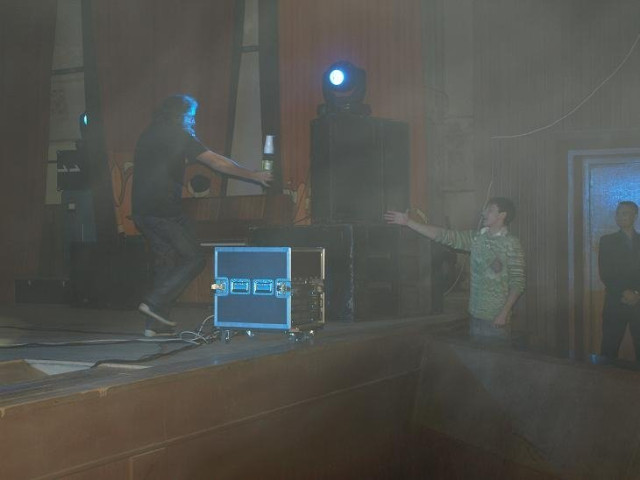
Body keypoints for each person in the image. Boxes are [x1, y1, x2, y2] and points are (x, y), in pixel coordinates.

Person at [131, 94, 272, 337]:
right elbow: (217, 163)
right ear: (178, 115)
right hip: (164, 210)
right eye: (190, 117)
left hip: (142, 211)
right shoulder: (178, 134)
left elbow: (184, 161)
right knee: (194, 258)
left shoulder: (149, 134)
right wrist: (254, 175)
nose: (193, 122)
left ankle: (155, 324)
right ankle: (154, 302)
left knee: (166, 261)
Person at [384, 197, 525, 342]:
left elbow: (518, 283)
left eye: (490, 210)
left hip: (496, 320)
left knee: (495, 356)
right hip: (475, 316)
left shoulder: (512, 244)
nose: (483, 213)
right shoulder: (476, 239)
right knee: (477, 355)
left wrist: (503, 313)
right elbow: (444, 235)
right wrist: (409, 222)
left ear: (502, 215)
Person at [598, 201, 640, 361]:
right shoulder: (607, 241)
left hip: (639, 303)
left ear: (635, 216)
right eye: (618, 213)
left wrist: (637, 294)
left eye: (625, 213)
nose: (620, 217)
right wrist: (624, 292)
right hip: (616, 302)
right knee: (609, 350)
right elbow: (606, 273)